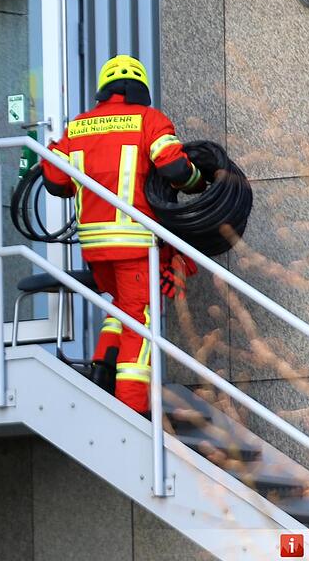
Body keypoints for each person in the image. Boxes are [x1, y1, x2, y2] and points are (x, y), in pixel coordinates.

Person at [41, 54, 205, 415]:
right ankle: (132, 407)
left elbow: (55, 181)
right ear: (139, 88)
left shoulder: (78, 127)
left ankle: (102, 369)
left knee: (123, 307)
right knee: (140, 322)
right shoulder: (148, 119)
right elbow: (175, 167)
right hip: (134, 243)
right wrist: (199, 181)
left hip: (94, 246)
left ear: (105, 89)